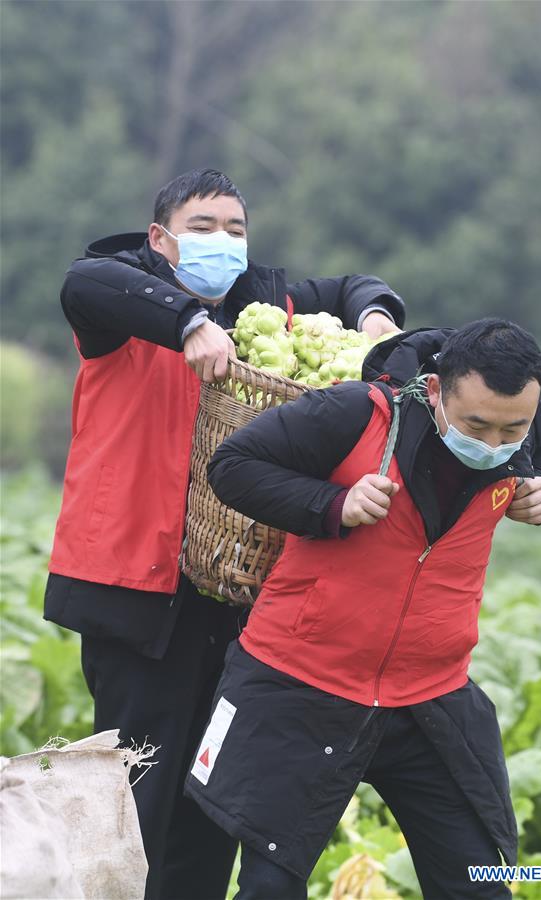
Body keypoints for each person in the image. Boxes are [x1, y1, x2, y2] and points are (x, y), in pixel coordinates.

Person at [43, 167, 406, 900]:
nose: (222, 242)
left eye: (235, 230)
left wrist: (374, 318)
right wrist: (187, 322)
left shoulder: (260, 308)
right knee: (130, 800)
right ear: (160, 238)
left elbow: (351, 287)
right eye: (202, 227)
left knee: (209, 804)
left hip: (234, 592)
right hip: (135, 592)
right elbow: (86, 281)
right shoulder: (120, 301)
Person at [185, 319, 541, 900]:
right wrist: (333, 502)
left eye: (513, 428)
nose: (494, 444)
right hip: (298, 681)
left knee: (485, 883)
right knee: (269, 887)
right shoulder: (354, 413)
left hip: (430, 693)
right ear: (435, 392)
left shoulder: (524, 421)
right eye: (476, 425)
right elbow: (233, 466)